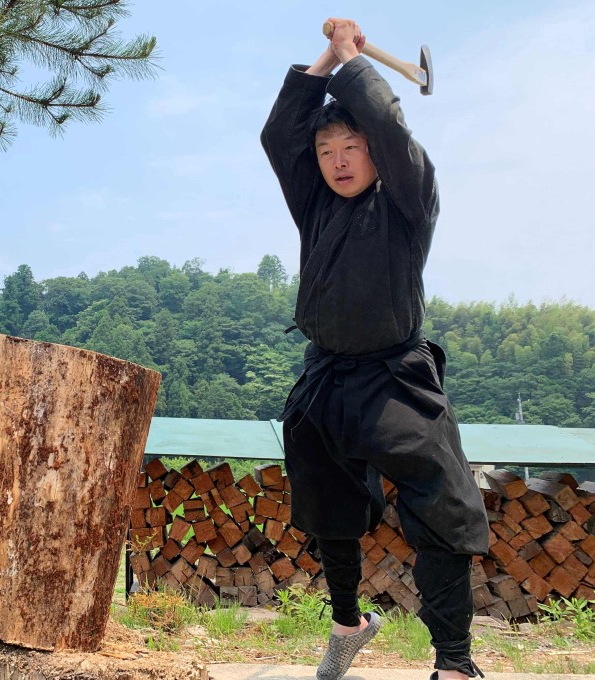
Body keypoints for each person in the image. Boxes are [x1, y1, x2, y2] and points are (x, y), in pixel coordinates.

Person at [260, 18, 490, 680]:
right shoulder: (315, 206)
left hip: (394, 379)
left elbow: (394, 132)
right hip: (326, 377)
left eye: (351, 146)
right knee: (326, 499)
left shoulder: (408, 201)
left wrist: (357, 67)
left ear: (374, 152)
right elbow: (281, 136)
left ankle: (453, 664)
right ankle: (346, 625)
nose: (336, 159)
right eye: (327, 148)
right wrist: (328, 58)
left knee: (443, 507)